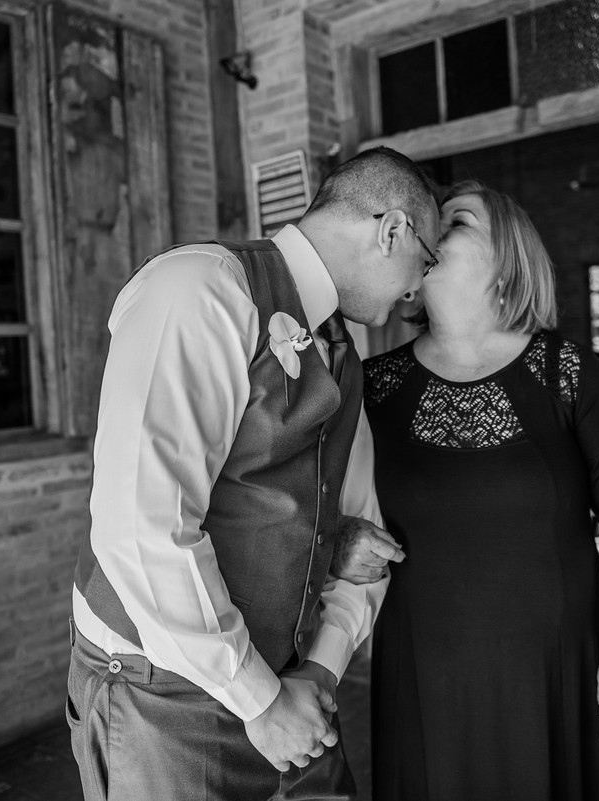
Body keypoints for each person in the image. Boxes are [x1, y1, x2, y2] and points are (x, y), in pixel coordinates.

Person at [66, 147, 435, 801]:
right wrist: (261, 701)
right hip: (164, 692)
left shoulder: (342, 352)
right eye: (424, 262)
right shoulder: (199, 288)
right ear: (393, 231)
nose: (416, 290)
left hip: (290, 685)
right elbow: (140, 526)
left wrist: (319, 671)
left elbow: (360, 531)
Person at [339, 180, 599, 800]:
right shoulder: (370, 386)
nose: (428, 227)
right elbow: (323, 504)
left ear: (510, 259)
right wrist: (339, 538)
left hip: (555, 663)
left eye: (455, 220)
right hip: (424, 664)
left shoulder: (569, 373)